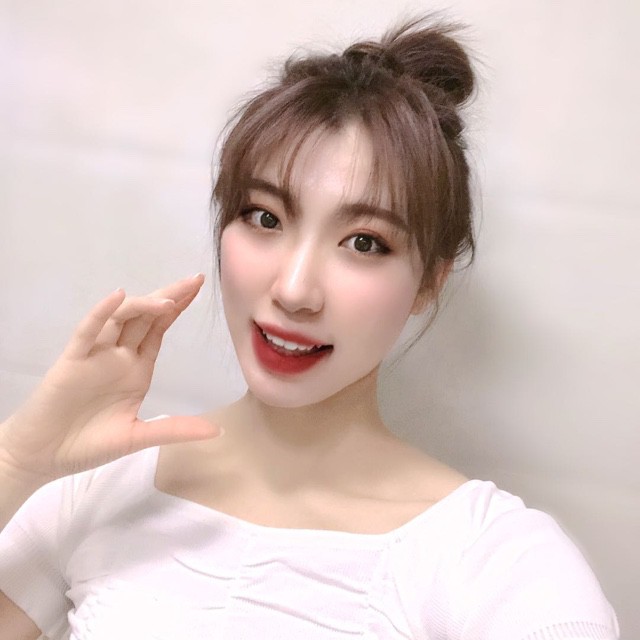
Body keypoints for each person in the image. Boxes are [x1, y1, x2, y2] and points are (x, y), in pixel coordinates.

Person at [0, 16, 620, 640]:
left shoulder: (495, 565)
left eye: (364, 242)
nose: (294, 290)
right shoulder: (100, 483)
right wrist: (17, 460)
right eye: (265, 218)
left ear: (429, 282)